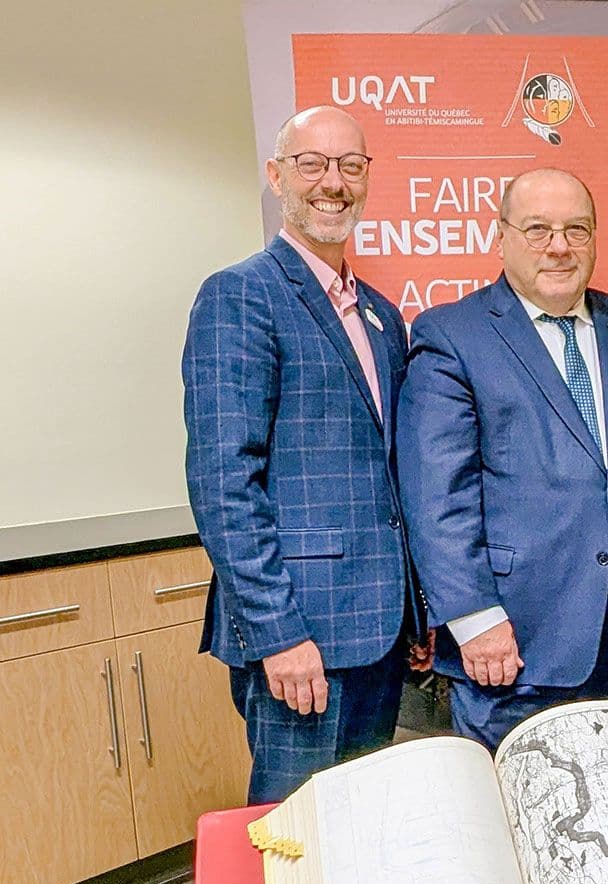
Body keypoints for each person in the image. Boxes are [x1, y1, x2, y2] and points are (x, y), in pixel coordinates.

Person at [396, 168, 608, 750]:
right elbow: (438, 500)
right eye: (538, 229)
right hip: (512, 647)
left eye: (576, 230)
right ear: (502, 235)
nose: (559, 247)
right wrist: (475, 621)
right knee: (523, 824)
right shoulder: (453, 335)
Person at [183, 106, 430, 805]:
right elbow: (224, 481)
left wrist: (415, 611)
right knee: (295, 840)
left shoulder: (381, 315)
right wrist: (276, 632)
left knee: (361, 833)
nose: (334, 183)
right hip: (302, 636)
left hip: (379, 634)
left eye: (351, 166)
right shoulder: (241, 295)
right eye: (312, 164)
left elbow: (389, 479)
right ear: (277, 176)